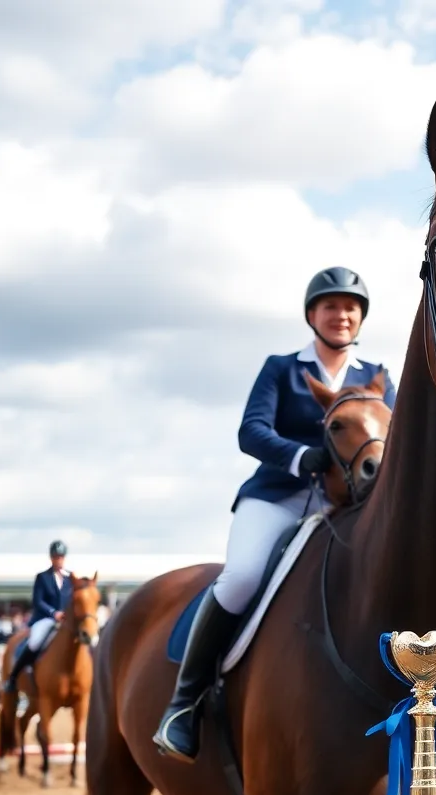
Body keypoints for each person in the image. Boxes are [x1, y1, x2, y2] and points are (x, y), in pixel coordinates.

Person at [153, 266, 398, 763]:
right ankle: (184, 703)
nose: (341, 314)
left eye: (350, 307)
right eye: (331, 306)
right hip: (279, 497)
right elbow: (251, 430)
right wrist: (301, 456)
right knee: (242, 577)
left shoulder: (376, 377)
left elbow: (394, 440)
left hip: (348, 505)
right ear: (312, 315)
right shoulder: (281, 368)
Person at [4, 540, 72, 693]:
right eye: (55, 557)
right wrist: (53, 613)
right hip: (46, 619)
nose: (58, 560)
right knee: (35, 642)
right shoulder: (42, 577)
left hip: (66, 621)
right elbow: (38, 601)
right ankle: (14, 677)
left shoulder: (70, 579)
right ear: (51, 558)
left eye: (61, 557)